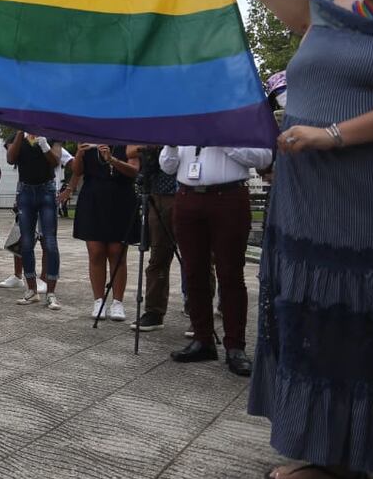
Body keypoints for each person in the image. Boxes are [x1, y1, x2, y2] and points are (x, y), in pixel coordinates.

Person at [213, 0, 373, 479]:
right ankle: (327, 451)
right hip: (307, 202)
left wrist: (331, 135)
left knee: (356, 318)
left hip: (364, 209)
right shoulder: (330, 9)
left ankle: (348, 455)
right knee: (308, 315)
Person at [159, 145, 270, 377]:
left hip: (228, 197)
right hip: (188, 196)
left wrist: (224, 140)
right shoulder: (186, 119)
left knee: (230, 273)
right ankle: (203, 339)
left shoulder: (240, 115)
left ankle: (235, 346)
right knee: (193, 272)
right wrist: (170, 145)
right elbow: (167, 167)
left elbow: (263, 157)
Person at [65, 143, 140, 321]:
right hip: (93, 198)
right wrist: (80, 151)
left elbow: (134, 171)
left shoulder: (126, 140)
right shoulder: (89, 141)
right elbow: (77, 170)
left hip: (120, 197)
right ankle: (98, 300)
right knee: (96, 252)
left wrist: (112, 160)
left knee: (117, 253)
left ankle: (117, 302)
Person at [6, 130, 63, 309]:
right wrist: (19, 134)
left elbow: (55, 161)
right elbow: (10, 158)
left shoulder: (52, 134)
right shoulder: (18, 136)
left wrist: (44, 145)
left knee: (50, 242)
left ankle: (51, 293)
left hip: (47, 190)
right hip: (25, 191)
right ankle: (31, 290)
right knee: (27, 242)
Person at [129, 145, 178, 333]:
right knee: (158, 257)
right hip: (158, 194)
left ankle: (197, 314)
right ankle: (154, 311)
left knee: (197, 259)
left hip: (189, 190)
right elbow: (132, 150)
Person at [56, 145, 74, 218]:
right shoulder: (23, 142)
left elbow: (75, 166)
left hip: (50, 192)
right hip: (26, 189)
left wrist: (69, 189)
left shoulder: (54, 146)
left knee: (48, 228)